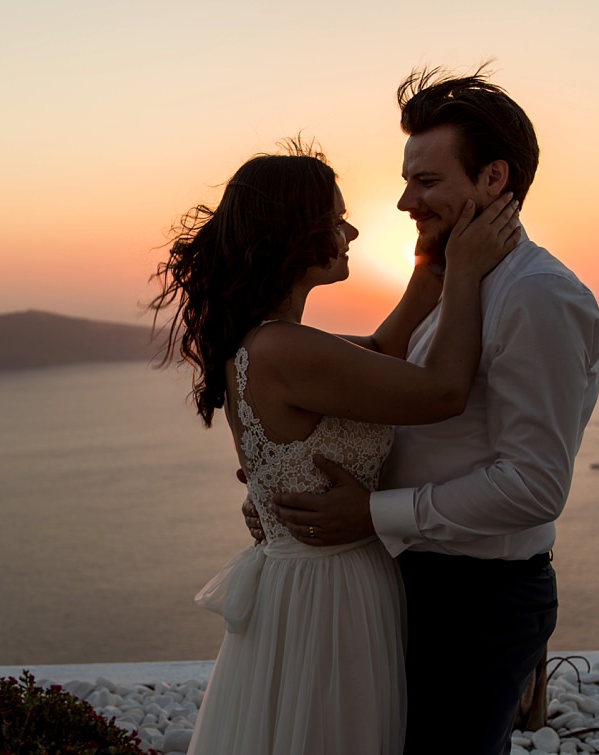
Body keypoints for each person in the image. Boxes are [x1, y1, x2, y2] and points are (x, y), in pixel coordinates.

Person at [249, 66, 599, 754]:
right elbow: (398, 407)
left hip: (478, 604)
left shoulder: (538, 297)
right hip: (408, 580)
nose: (406, 201)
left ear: (494, 179)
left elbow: (535, 484)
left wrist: (369, 513)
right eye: (407, 179)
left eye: (427, 181)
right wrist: (298, 491)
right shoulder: (448, 282)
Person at [149, 139, 521, 753]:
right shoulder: (285, 350)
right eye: (335, 217)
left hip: (311, 581)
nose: (350, 230)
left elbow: (382, 351)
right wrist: (469, 274)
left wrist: (433, 264)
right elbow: (442, 392)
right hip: (329, 592)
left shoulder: (275, 342)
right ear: (294, 233)